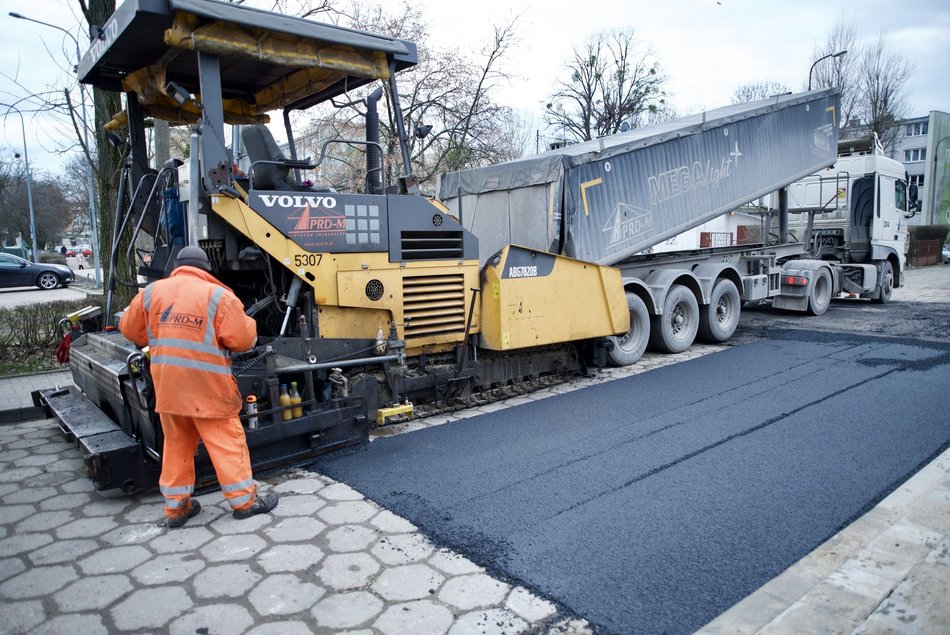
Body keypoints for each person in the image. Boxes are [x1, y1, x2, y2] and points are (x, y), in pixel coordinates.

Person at [119, 245, 278, 528]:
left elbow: (131, 330)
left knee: (177, 444)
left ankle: (177, 509)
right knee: (227, 442)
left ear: (177, 267)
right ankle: (244, 502)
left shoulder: (152, 293)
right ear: (206, 270)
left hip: (168, 385)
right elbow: (242, 340)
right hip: (208, 387)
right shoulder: (218, 296)